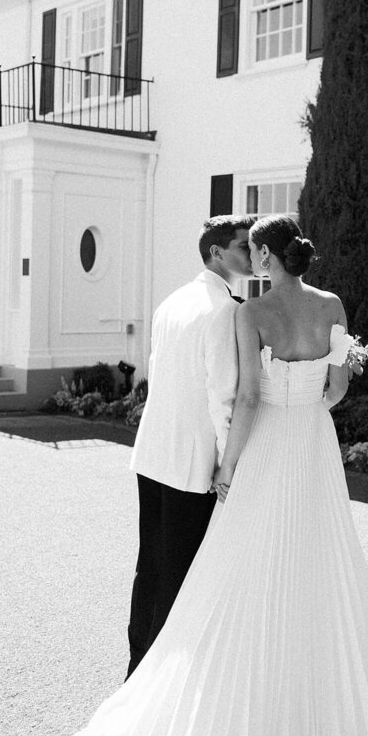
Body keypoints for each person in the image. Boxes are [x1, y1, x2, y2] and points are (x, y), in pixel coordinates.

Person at [2, 215, 368, 736]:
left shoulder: (251, 310)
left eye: (252, 248)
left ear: (264, 253)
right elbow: (338, 389)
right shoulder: (333, 305)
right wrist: (322, 386)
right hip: (314, 450)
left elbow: (248, 397)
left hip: (264, 453)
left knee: (234, 578)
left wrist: (227, 468)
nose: (248, 257)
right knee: (323, 567)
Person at [125, 214, 254, 676]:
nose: (252, 254)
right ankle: (159, 681)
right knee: (179, 573)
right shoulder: (223, 309)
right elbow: (223, 393)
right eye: (243, 246)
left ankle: (138, 664)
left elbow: (157, 375)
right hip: (190, 460)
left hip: (153, 451)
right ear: (217, 253)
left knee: (151, 566)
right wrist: (228, 462)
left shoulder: (172, 301)